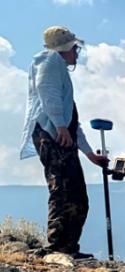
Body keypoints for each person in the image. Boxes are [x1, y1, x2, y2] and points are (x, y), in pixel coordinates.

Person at [19, 26, 108, 259]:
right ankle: (59, 247)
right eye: (74, 48)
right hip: (52, 134)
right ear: (65, 48)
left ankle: (67, 246)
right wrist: (59, 125)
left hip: (56, 133)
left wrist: (89, 154)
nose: (77, 52)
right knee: (64, 190)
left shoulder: (55, 66)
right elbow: (47, 92)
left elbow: (72, 122)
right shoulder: (50, 63)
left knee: (75, 193)